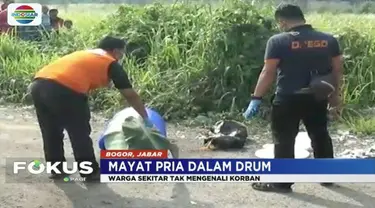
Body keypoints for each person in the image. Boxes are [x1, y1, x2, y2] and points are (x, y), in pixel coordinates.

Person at [243, 4, 343, 193]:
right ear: (302, 18)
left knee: (284, 139)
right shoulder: (328, 40)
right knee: (320, 134)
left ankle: (282, 182)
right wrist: (335, 96)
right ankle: (328, 176)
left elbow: (268, 71)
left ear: (282, 21)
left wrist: (256, 98)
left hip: (288, 98)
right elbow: (337, 70)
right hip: (317, 96)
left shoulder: (278, 41)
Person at [30, 36, 153, 181]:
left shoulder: (87, 54)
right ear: (114, 51)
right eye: (121, 53)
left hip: (38, 85)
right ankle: (90, 172)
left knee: (51, 131)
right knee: (79, 132)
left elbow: (78, 73)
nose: (121, 57)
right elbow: (130, 95)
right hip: (65, 89)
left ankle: (57, 169)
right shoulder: (110, 62)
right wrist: (145, 117)